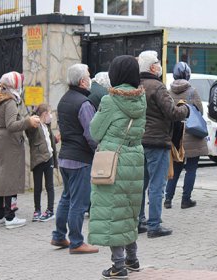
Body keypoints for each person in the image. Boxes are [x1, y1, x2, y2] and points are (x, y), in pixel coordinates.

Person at [88, 55, 146, 279]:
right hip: (135, 158)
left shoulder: (110, 101)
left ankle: (118, 266)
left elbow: (95, 131)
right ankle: (132, 258)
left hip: (113, 159)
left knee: (112, 212)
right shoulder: (141, 100)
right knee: (130, 209)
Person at [138, 50, 189, 238]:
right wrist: (185, 109)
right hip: (157, 141)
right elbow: (172, 113)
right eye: (158, 62)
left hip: (140, 141)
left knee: (140, 184)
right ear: (153, 67)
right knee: (157, 184)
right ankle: (154, 225)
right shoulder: (157, 87)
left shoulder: (137, 85)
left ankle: (139, 220)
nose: (160, 65)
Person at [51, 63, 99, 254]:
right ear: (82, 81)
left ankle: (59, 236)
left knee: (66, 198)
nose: (90, 78)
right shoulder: (83, 103)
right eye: (89, 75)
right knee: (78, 202)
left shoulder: (64, 100)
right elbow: (91, 133)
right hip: (80, 159)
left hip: (65, 157)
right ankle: (77, 242)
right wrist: (99, 150)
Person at [0, 71, 40, 229]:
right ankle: (10, 217)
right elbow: (11, 125)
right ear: (14, 85)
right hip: (8, 143)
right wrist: (28, 121)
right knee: (9, 177)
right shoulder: (9, 101)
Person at [164, 62, 207, 209]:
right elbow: (200, 111)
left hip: (176, 135)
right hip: (192, 133)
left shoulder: (168, 92)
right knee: (191, 168)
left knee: (175, 168)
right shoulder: (192, 91)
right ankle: (185, 200)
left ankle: (168, 199)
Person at [26, 104, 57, 222]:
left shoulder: (46, 125)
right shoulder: (35, 125)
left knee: (50, 186)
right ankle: (37, 210)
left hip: (48, 158)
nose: (50, 116)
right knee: (37, 187)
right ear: (44, 114)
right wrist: (32, 117)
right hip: (38, 159)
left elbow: (48, 140)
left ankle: (50, 210)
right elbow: (29, 130)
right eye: (49, 113)